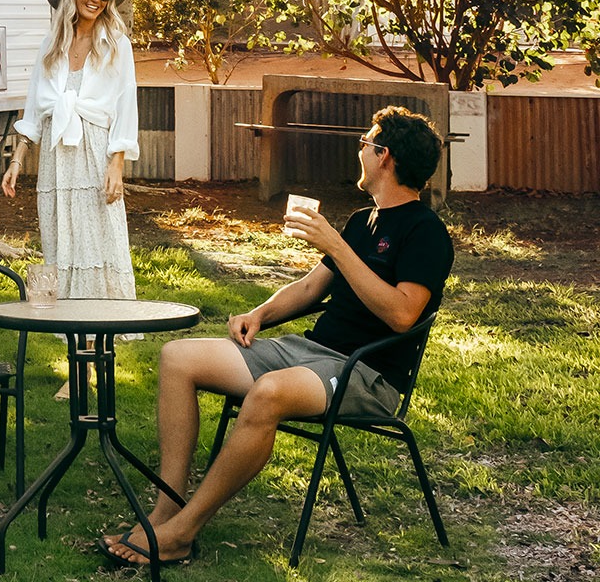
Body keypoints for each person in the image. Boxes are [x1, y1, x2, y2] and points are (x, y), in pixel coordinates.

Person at [98, 105, 453, 569]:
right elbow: (309, 288)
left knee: (267, 394)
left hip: (366, 373)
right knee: (178, 357)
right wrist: (259, 314)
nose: (359, 149)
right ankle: (166, 509)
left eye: (366, 142)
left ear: (385, 156)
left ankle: (182, 534)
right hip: (309, 353)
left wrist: (336, 247)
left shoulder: (426, 232)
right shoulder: (361, 220)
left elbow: (403, 315)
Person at [1, 0, 140, 305]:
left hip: (95, 150)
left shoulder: (117, 45)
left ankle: (102, 324)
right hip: (56, 156)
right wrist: (17, 160)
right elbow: (34, 108)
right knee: (61, 236)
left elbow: (125, 106)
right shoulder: (51, 46)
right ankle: (68, 321)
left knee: (100, 236)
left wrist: (117, 164)